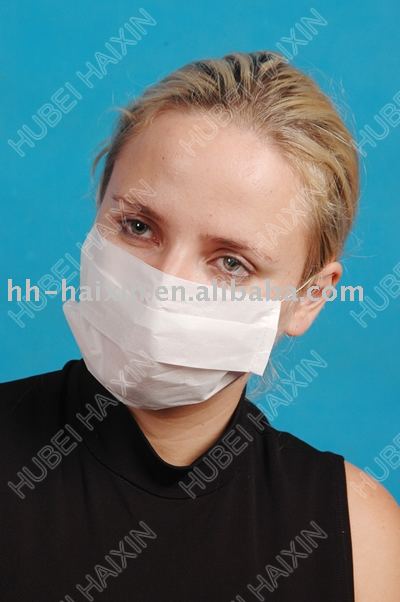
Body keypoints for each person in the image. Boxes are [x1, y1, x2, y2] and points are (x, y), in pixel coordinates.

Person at [1, 51, 399, 602]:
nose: (165, 285)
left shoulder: (359, 534)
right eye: (138, 226)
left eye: (231, 262)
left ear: (309, 298)